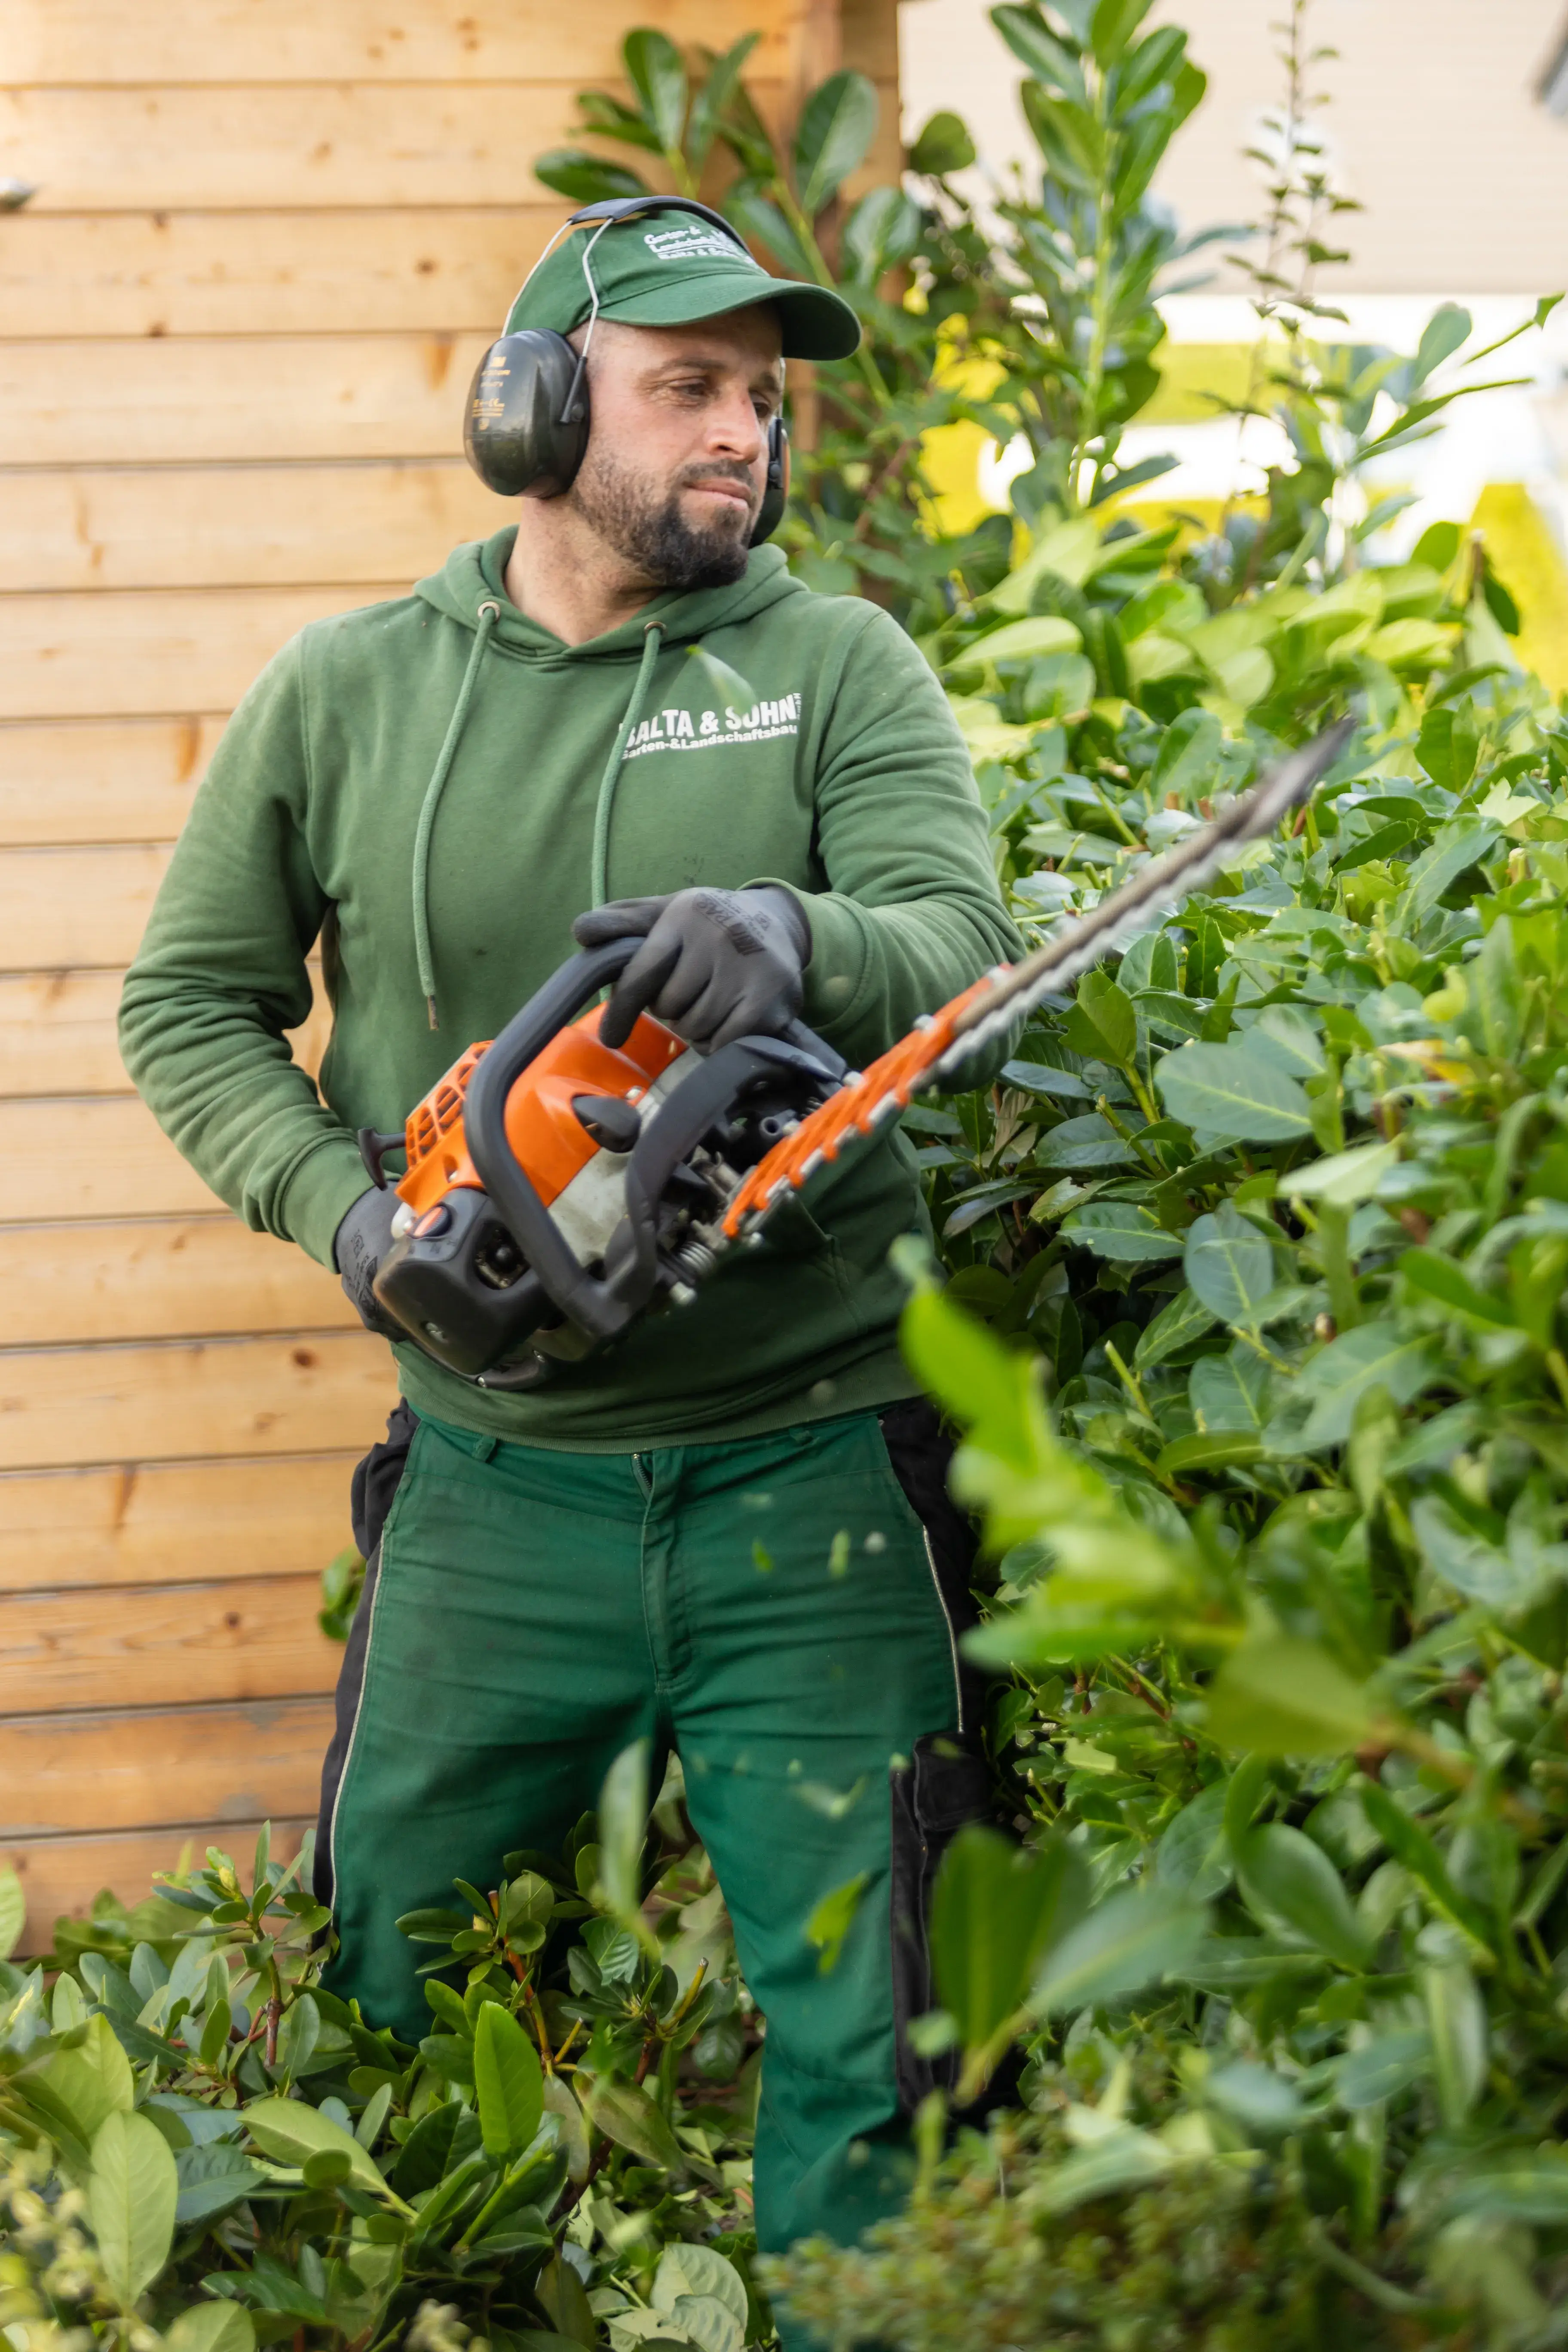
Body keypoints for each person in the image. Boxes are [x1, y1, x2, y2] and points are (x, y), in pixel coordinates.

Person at [118, 201, 1021, 2285]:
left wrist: (800, 935)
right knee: (387, 2011)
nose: (742, 435)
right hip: (490, 1493)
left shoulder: (833, 668)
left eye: (762, 401)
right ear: (536, 413)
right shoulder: (348, 693)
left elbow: (961, 950)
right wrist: (354, 1219)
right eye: (689, 388)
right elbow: (189, 1003)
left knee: (881, 2046)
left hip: (816, 1472)